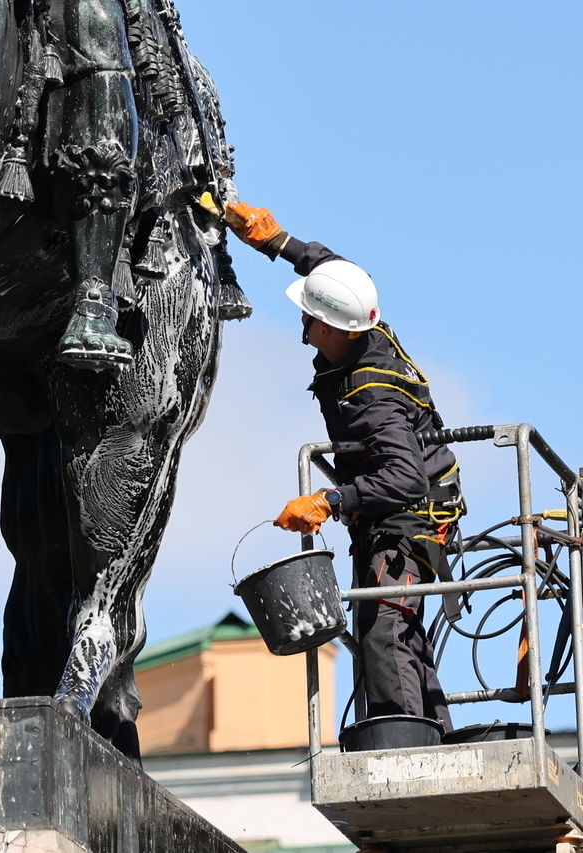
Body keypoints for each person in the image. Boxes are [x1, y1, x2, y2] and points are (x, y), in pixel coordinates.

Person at [213, 196, 461, 729]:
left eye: (309, 318)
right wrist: (279, 243)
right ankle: (433, 736)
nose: (302, 325)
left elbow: (404, 475)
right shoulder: (368, 327)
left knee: (384, 629)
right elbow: (338, 273)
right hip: (416, 509)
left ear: (334, 330)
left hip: (410, 517)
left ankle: (403, 747)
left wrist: (330, 500)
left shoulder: (371, 394)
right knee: (400, 630)